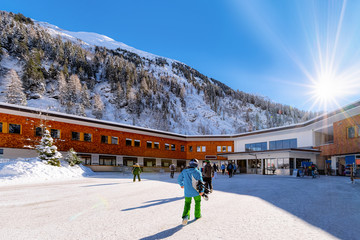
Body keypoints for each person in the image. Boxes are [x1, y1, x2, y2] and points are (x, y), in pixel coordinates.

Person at [178, 159, 204, 225]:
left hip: (187, 191)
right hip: (196, 191)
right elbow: (201, 182)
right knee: (197, 203)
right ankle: (197, 215)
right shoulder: (197, 172)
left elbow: (179, 179)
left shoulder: (184, 171)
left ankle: (186, 216)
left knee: (187, 203)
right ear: (196, 164)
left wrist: (181, 185)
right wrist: (202, 191)